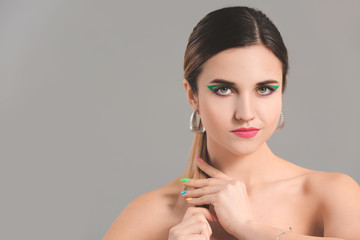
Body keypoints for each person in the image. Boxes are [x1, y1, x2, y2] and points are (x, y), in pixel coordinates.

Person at [103, 6, 360, 240]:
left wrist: (248, 227)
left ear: (282, 90)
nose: (245, 113)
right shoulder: (148, 215)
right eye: (224, 90)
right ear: (192, 95)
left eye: (264, 89)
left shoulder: (332, 195)